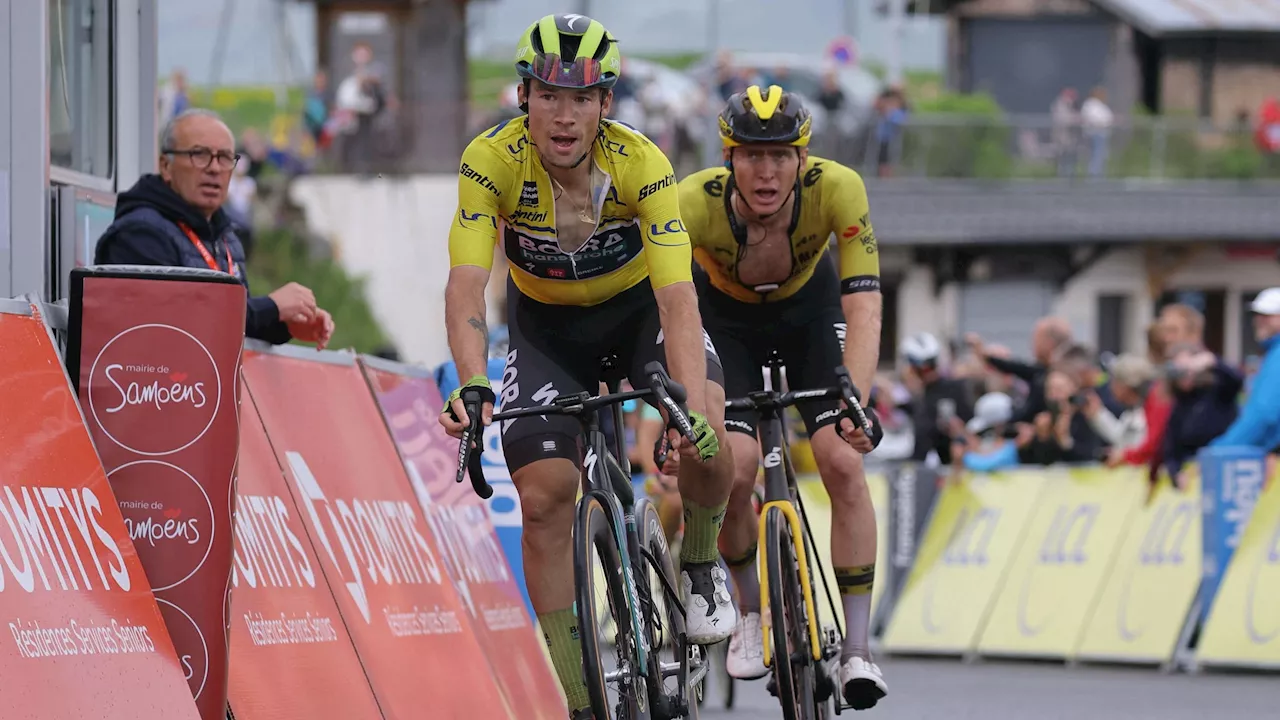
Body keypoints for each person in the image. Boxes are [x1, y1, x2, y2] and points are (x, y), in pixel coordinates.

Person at [436, 15, 736, 720]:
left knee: (714, 435)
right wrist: (474, 381)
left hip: (640, 318)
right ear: (523, 98)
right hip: (548, 332)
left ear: (607, 104)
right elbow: (465, 283)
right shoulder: (491, 160)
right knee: (543, 498)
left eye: (581, 98)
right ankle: (577, 696)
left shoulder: (642, 164)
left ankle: (697, 564)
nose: (563, 115)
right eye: (548, 95)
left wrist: (687, 405)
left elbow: (677, 297)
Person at [674, 84, 888, 710]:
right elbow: (670, 312)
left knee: (844, 463)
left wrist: (861, 403)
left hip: (810, 319)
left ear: (802, 159)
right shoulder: (693, 202)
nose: (765, 172)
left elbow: (865, 303)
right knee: (733, 471)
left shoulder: (839, 188)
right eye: (749, 155)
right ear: (728, 158)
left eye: (780, 156)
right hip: (727, 326)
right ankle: (747, 612)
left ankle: (857, 649)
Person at [95, 109, 334, 348]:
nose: (214, 168)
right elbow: (177, 324)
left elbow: (233, 329)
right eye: (199, 154)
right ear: (166, 166)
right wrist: (271, 307)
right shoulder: (139, 233)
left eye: (224, 157)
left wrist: (284, 323)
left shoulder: (226, 236)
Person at [900, 331, 975, 466]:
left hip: (961, 467)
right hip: (932, 469)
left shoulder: (955, 389)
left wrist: (960, 432)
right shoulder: (919, 398)